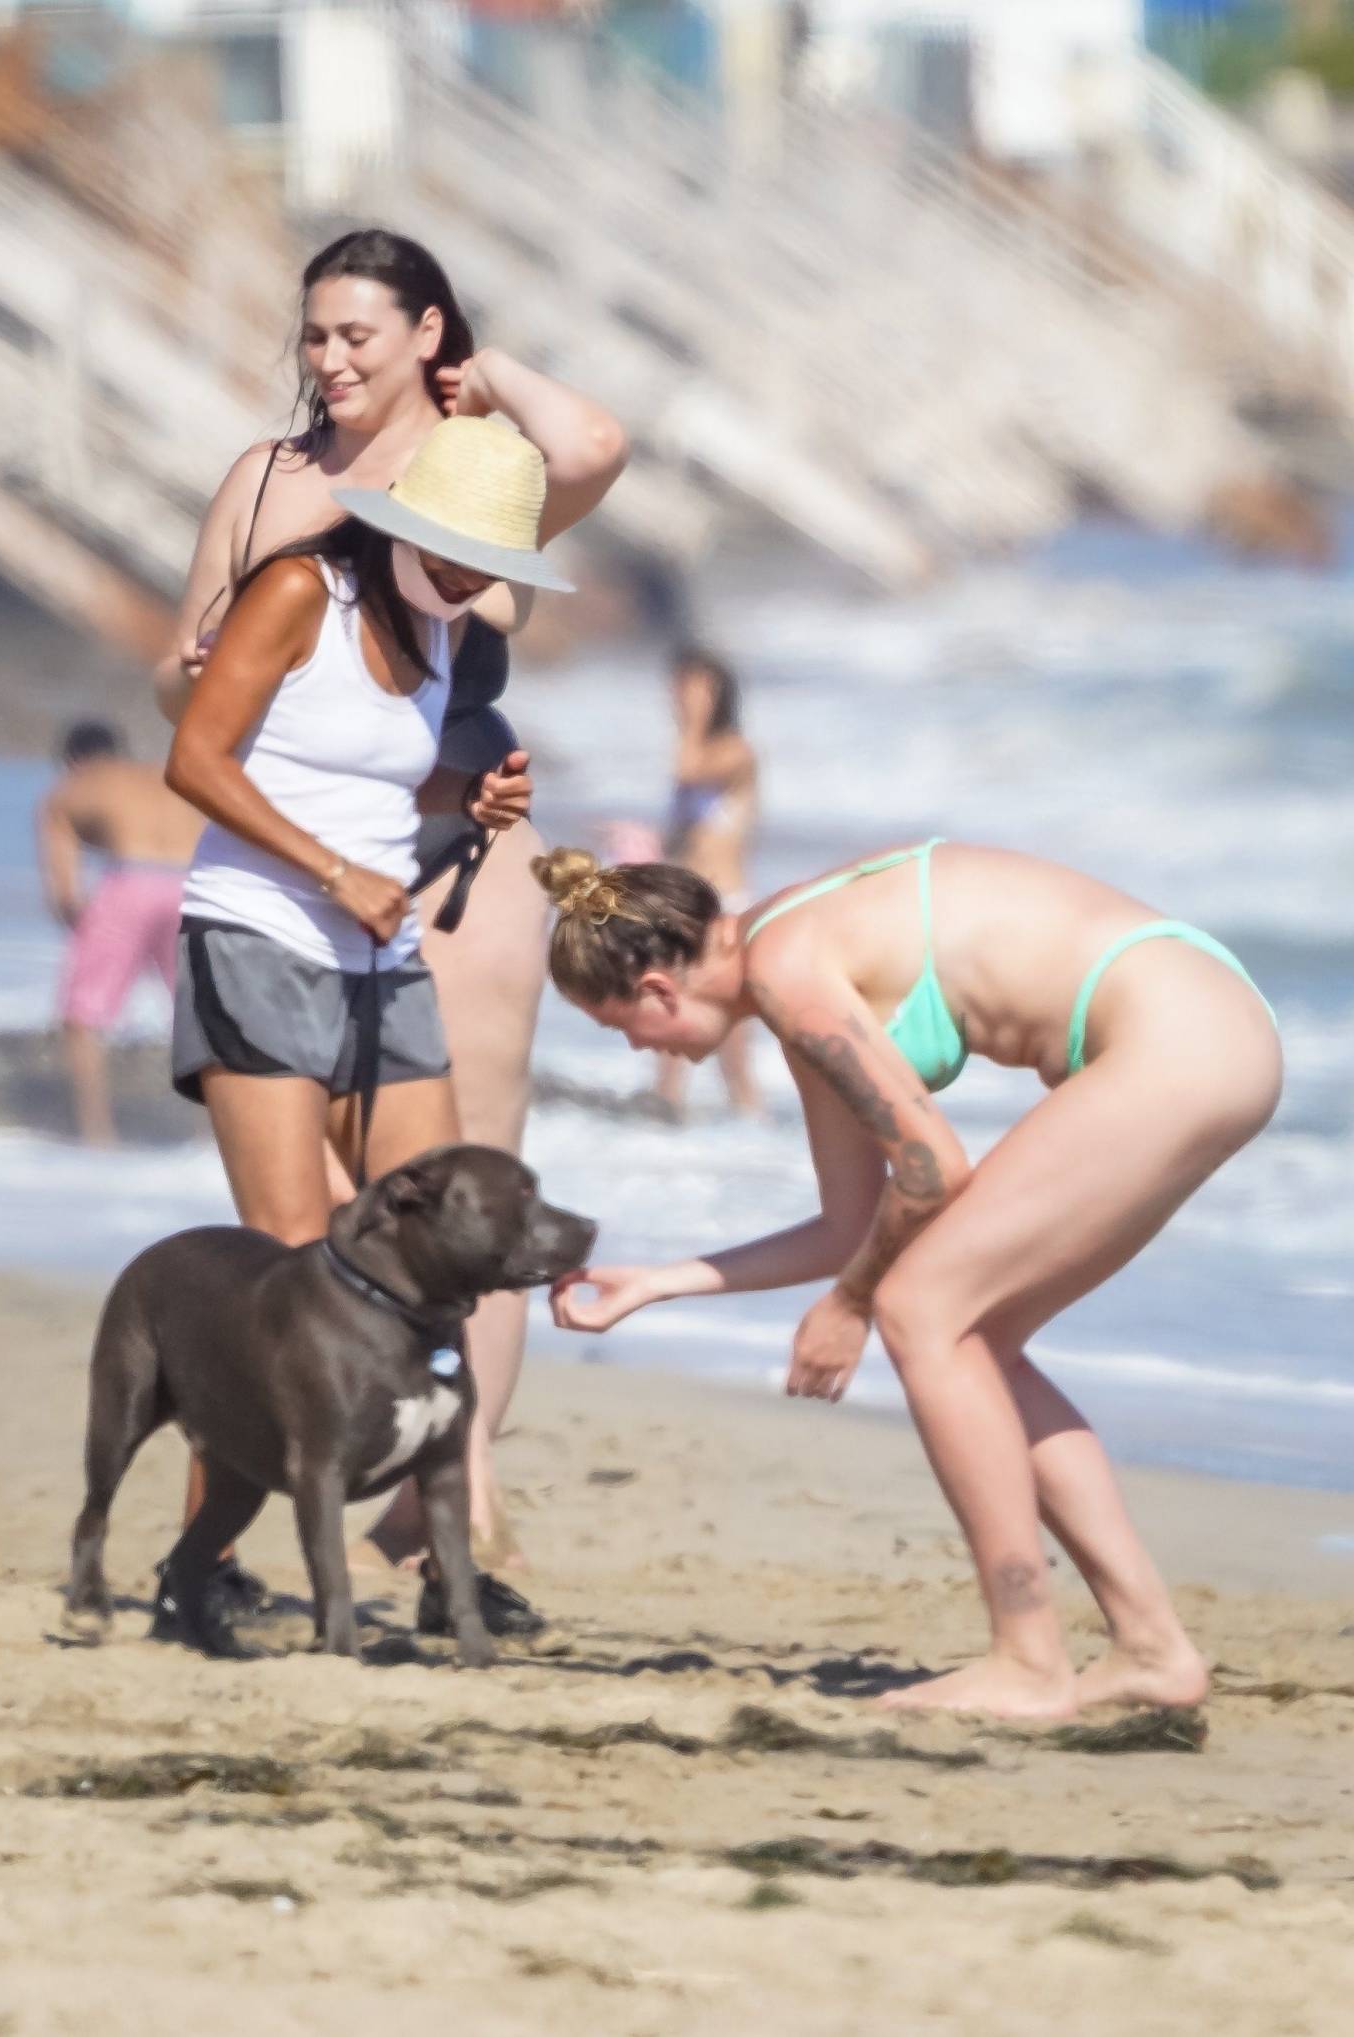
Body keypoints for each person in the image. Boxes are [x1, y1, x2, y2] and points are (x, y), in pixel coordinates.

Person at [535, 839, 1282, 1720]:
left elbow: (930, 1170)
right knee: (978, 1339)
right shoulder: (788, 959)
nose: (632, 1047)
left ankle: (1028, 1659)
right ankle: (1150, 1649)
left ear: (657, 989)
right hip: (1211, 1029)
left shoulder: (787, 969)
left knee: (920, 1311)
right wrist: (657, 1283)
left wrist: (849, 1304)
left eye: (618, 1026)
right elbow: (845, 1226)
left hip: (1178, 1038)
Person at [155, 227, 627, 1591]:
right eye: (316, 334)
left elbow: (591, 443)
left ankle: (453, 1516)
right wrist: (207, 666)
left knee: (459, 1207)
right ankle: (232, 1537)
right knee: (300, 1247)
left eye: (362, 331)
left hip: (445, 863)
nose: (332, 358)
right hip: (296, 872)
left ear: (429, 333)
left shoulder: (477, 482)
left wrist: (486, 380)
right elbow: (187, 718)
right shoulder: (272, 490)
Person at [38, 720, 201, 1145]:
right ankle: (210, 1136)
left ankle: (97, 1136)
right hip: (192, 885)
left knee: (83, 1016)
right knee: (198, 1014)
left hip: (130, 882)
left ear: (72, 761)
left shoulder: (75, 787)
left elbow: (65, 895)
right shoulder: (160, 775)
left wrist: (87, 929)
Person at [657, 646, 762, 1118]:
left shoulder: (735, 752)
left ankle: (750, 1118)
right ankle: (665, 1117)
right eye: (680, 687)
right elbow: (681, 837)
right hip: (683, 899)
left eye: (695, 688)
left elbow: (688, 770)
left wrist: (695, 720)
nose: (682, 697)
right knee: (665, 1013)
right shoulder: (692, 750)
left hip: (723, 902)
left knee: (730, 1032)